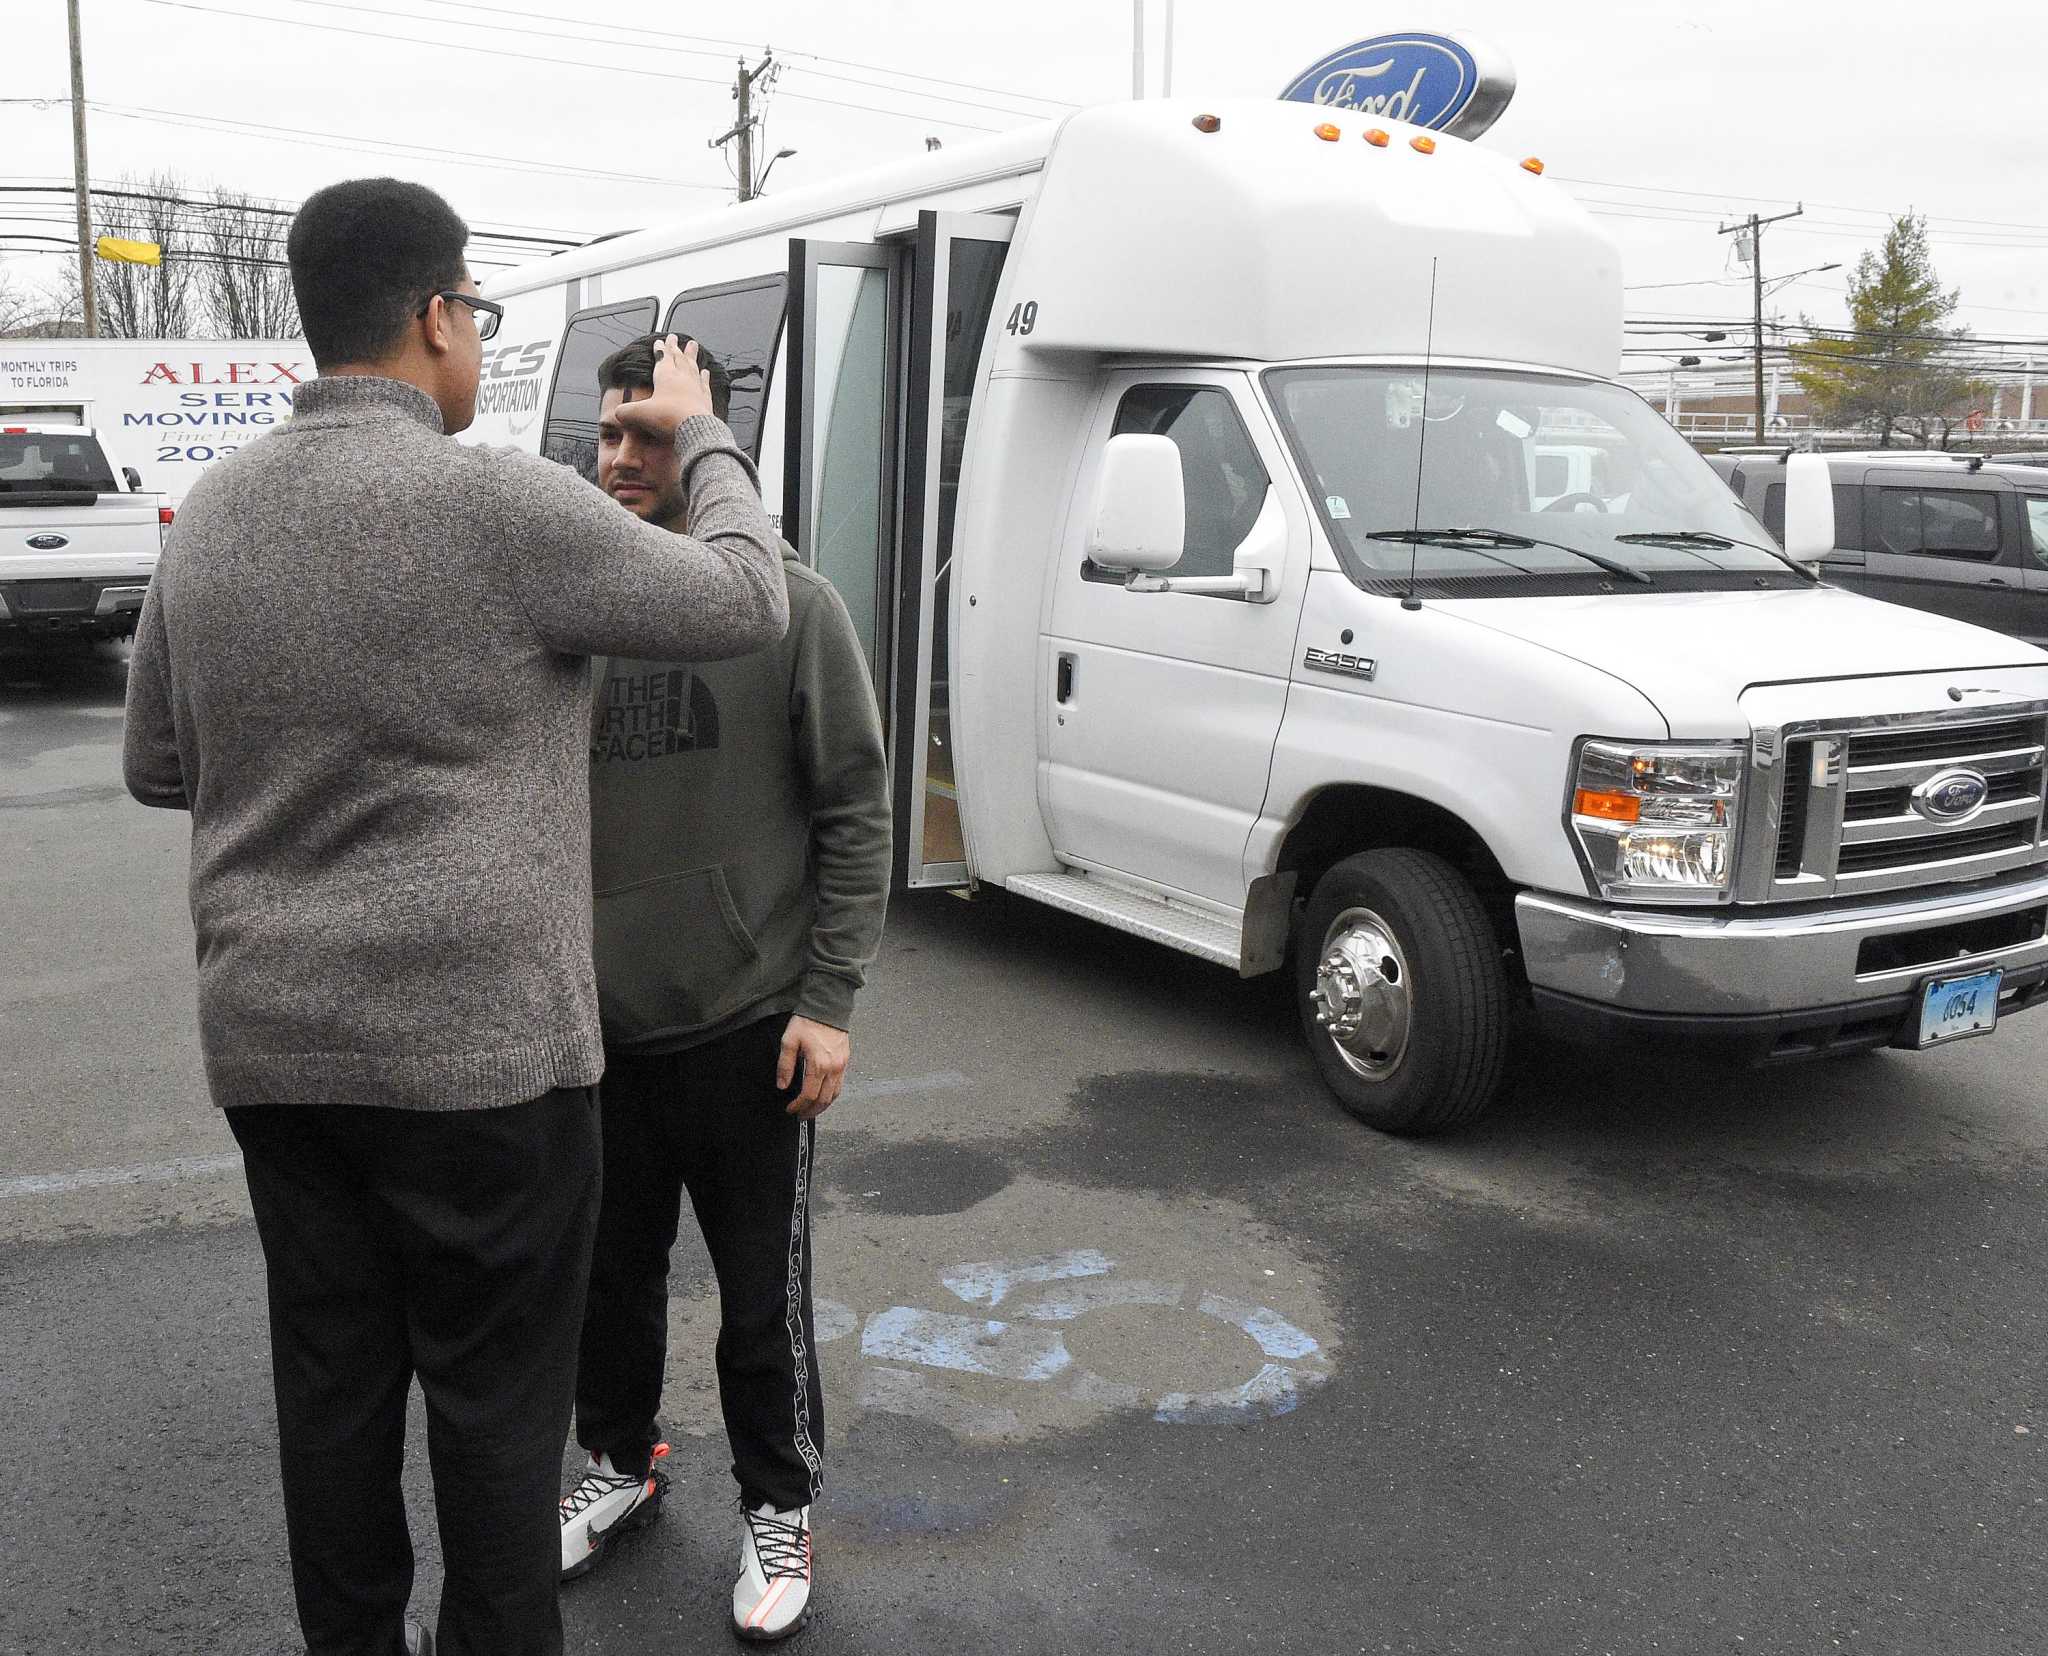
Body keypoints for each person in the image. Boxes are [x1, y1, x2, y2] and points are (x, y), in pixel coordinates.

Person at [121, 180, 788, 1656]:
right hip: (486, 1062)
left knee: (335, 1402)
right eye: (474, 311)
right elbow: (748, 598)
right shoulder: (501, 501)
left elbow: (156, 765)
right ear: (434, 317)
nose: (475, 340)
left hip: (281, 1057)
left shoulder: (213, 514)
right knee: (495, 1433)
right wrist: (702, 435)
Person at [556, 333, 891, 1644]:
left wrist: (832, 999)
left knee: (759, 1300)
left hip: (751, 1024)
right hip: (594, 1030)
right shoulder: (576, 608)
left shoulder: (792, 607)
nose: (622, 458)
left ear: (712, 441)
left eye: (652, 432)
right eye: (609, 432)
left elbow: (859, 806)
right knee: (606, 1280)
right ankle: (620, 1461)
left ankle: (779, 1503)